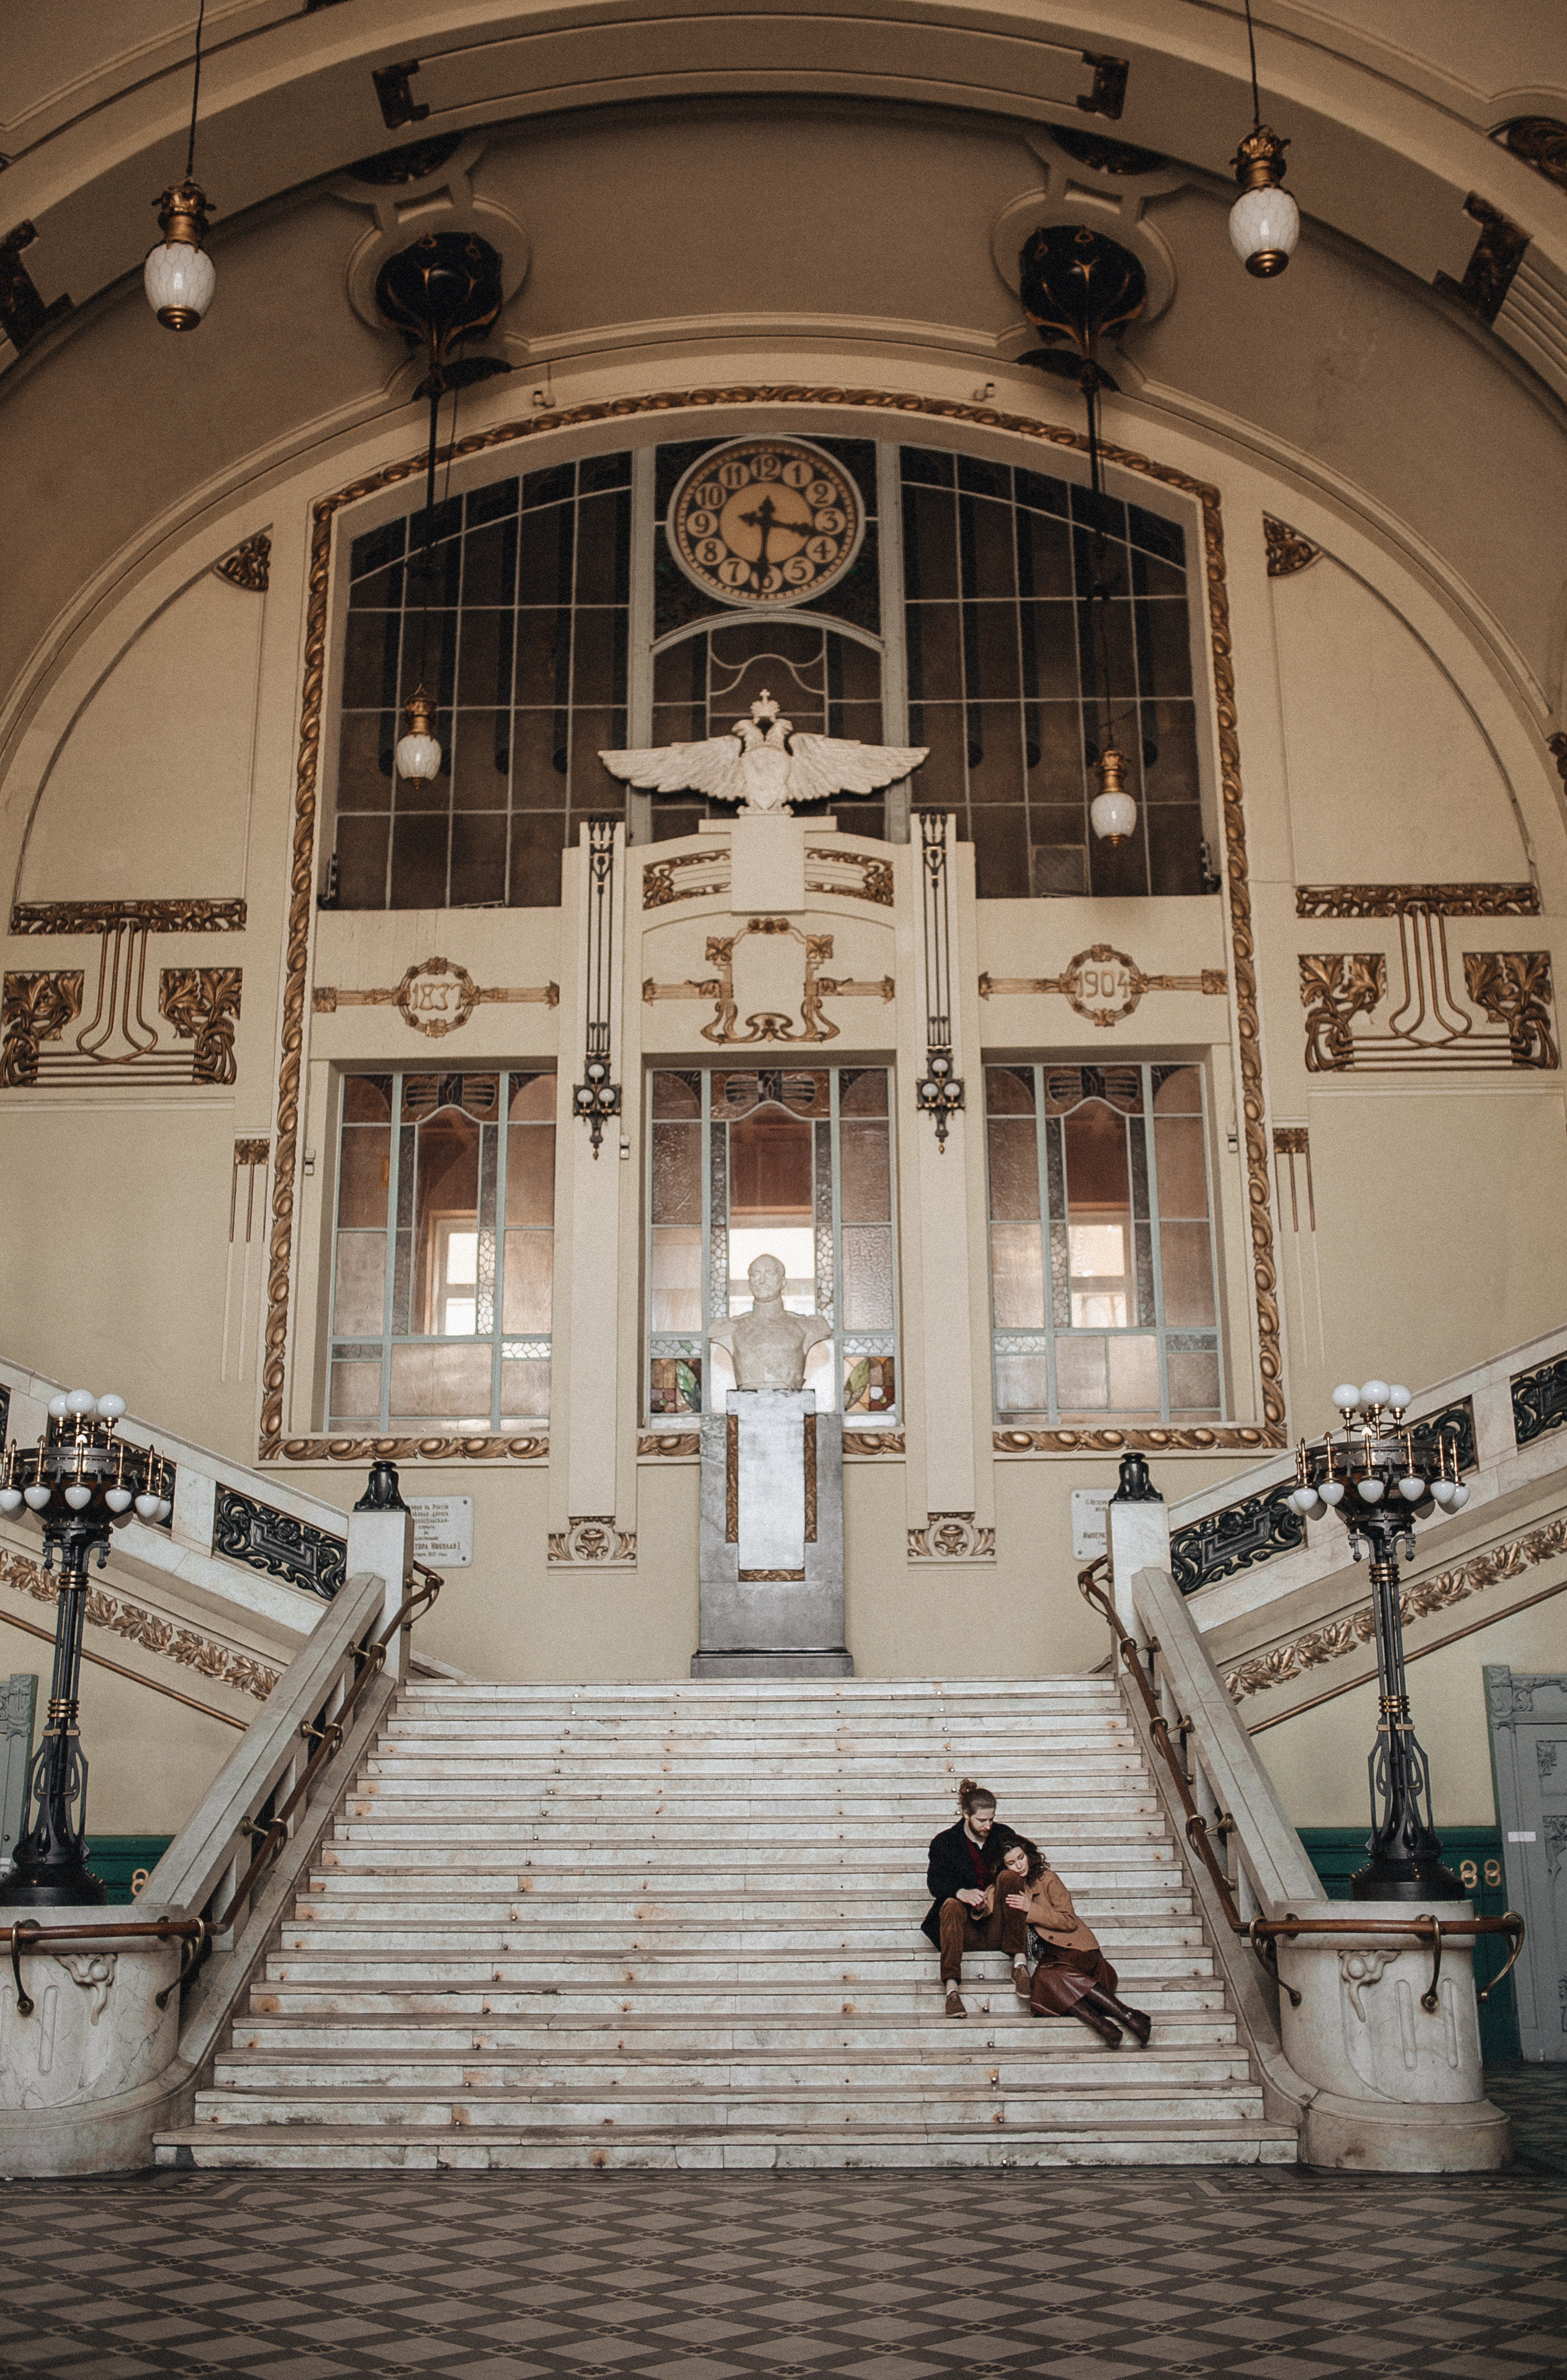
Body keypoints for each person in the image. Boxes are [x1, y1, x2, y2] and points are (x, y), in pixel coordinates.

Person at [1000, 1832, 1152, 2048]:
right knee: (1045, 1979)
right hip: (1053, 1958)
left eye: (1021, 1858)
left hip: (1077, 1949)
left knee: (1046, 1976)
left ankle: (1125, 2018)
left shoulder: (1047, 1878)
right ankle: (1108, 2025)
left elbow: (1069, 1921)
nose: (1019, 1866)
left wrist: (1030, 1908)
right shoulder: (1008, 1889)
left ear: (1029, 1855)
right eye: (1011, 1863)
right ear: (1004, 1868)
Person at [921, 1778, 1030, 2019]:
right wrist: (963, 1894)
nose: (989, 1825)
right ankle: (952, 1991)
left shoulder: (1003, 1835)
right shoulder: (944, 1842)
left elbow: (1029, 1861)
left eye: (991, 1819)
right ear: (966, 1814)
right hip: (964, 1930)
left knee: (1009, 1878)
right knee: (949, 1904)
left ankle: (1020, 1965)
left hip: (999, 1926)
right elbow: (934, 1883)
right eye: (982, 1820)